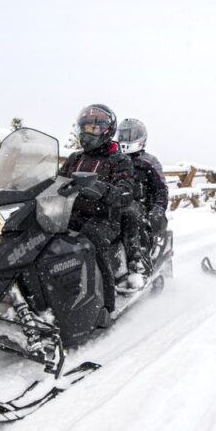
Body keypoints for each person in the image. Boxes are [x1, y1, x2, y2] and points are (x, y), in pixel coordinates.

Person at [59, 104, 135, 313]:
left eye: (94, 128)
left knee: (89, 238)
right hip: (69, 214)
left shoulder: (119, 160)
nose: (88, 133)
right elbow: (55, 182)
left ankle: (105, 303)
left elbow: (126, 194)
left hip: (105, 218)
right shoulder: (75, 158)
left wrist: (100, 188)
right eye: (85, 128)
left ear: (107, 130)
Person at [116, 118, 168, 274]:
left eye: (131, 135)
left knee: (132, 219)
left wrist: (158, 209)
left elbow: (161, 189)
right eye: (123, 135)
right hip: (116, 202)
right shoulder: (115, 159)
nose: (126, 139)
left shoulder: (149, 161)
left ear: (141, 137)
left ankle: (139, 263)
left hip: (142, 207)